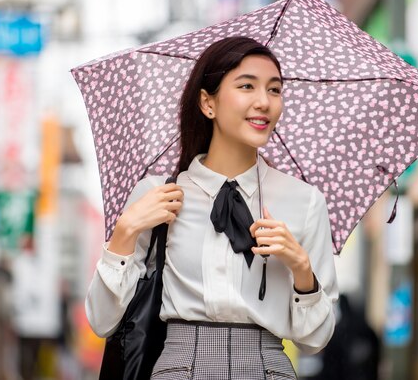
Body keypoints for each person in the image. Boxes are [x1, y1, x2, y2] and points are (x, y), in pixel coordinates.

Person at [86, 36, 338, 379]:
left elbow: (315, 341)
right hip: (180, 366)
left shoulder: (304, 201)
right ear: (208, 103)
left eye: (275, 90)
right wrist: (124, 232)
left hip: (268, 368)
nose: (264, 101)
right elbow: (102, 321)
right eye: (247, 86)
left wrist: (301, 269)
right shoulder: (159, 195)